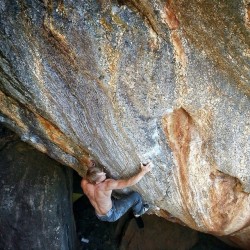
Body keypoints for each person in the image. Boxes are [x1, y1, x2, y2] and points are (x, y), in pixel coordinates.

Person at [81, 162, 152, 222]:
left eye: (102, 172)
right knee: (136, 196)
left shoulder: (84, 184)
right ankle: (138, 212)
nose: (104, 173)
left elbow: (90, 174)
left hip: (99, 215)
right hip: (112, 214)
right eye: (102, 175)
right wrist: (143, 171)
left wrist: (90, 167)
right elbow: (129, 182)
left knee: (110, 200)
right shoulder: (106, 185)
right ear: (97, 182)